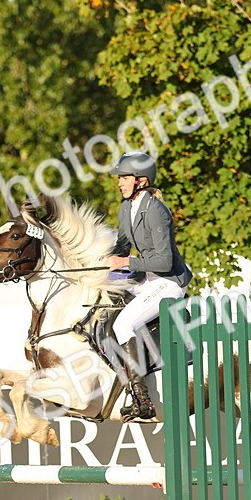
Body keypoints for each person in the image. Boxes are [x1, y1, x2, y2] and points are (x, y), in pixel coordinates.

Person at [108, 152, 193, 421]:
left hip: (168, 281)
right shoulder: (126, 208)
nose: (119, 182)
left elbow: (164, 261)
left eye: (124, 178)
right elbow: (122, 247)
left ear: (141, 181)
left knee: (124, 325)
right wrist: (100, 262)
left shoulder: (157, 211)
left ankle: (141, 399)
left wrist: (125, 262)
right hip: (146, 280)